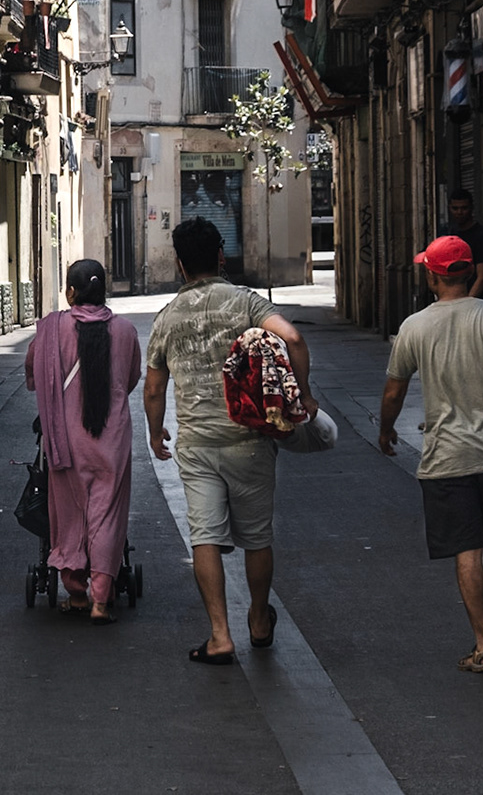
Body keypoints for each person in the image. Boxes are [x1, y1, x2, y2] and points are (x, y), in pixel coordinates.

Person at [378, 235, 483, 674]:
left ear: (433, 276)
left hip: (447, 456)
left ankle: (482, 646)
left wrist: (385, 430)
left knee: (466, 548)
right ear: (471, 272)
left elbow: (394, 390)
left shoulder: (414, 327)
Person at [145, 218, 310, 665]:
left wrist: (155, 428)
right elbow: (292, 337)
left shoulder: (166, 319)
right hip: (249, 438)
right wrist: (303, 396)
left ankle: (219, 635)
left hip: (197, 444)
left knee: (205, 537)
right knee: (257, 538)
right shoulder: (246, 302)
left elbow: (155, 387)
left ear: (179, 263)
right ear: (221, 254)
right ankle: (258, 618)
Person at [26, 259, 142, 624]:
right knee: (106, 515)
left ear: (71, 292)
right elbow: (131, 377)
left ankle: (76, 592)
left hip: (65, 439)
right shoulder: (125, 331)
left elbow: (32, 373)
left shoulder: (51, 330)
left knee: (70, 512)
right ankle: (100, 601)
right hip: (112, 439)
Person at [440, 189, 483, 299]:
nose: (459, 212)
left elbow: (482, 277)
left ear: (471, 208)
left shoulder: (482, 237)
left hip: (478, 302)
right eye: (455, 208)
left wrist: (468, 302)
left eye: (464, 208)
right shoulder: (450, 234)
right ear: (449, 208)